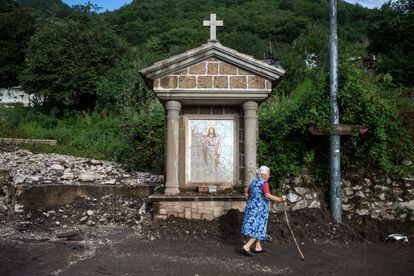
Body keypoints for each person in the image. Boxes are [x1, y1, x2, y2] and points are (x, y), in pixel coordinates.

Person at [241, 165, 286, 257]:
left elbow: (246, 193)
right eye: (268, 174)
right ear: (263, 175)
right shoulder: (264, 183)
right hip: (260, 209)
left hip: (251, 207)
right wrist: (280, 199)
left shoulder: (254, 182)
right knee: (258, 227)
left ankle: (258, 247)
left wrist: (250, 201)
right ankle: (247, 246)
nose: (269, 176)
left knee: (254, 226)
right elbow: (267, 195)